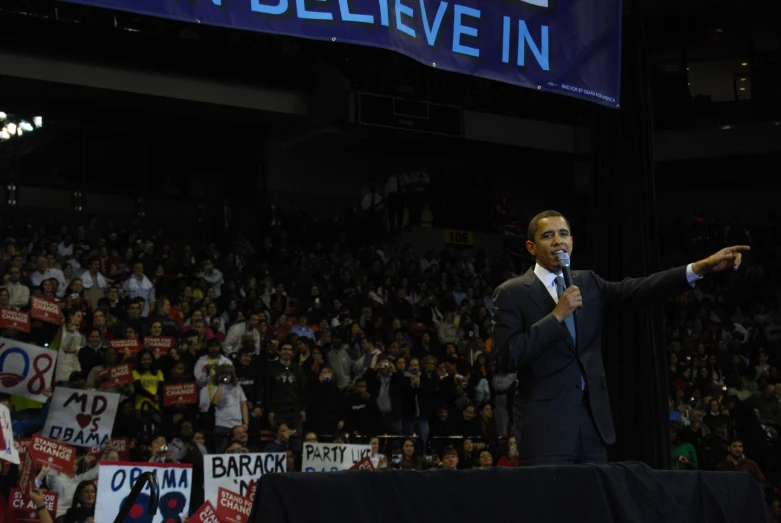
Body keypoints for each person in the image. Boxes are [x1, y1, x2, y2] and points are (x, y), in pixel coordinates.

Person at [491, 210, 749, 466]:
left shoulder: (588, 282)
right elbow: (507, 356)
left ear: (572, 242)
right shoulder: (511, 293)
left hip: (593, 427)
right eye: (548, 235)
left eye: (564, 234)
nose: (558, 240)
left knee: (596, 505)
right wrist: (556, 316)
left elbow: (639, 289)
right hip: (545, 430)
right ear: (531, 247)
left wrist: (698, 268)